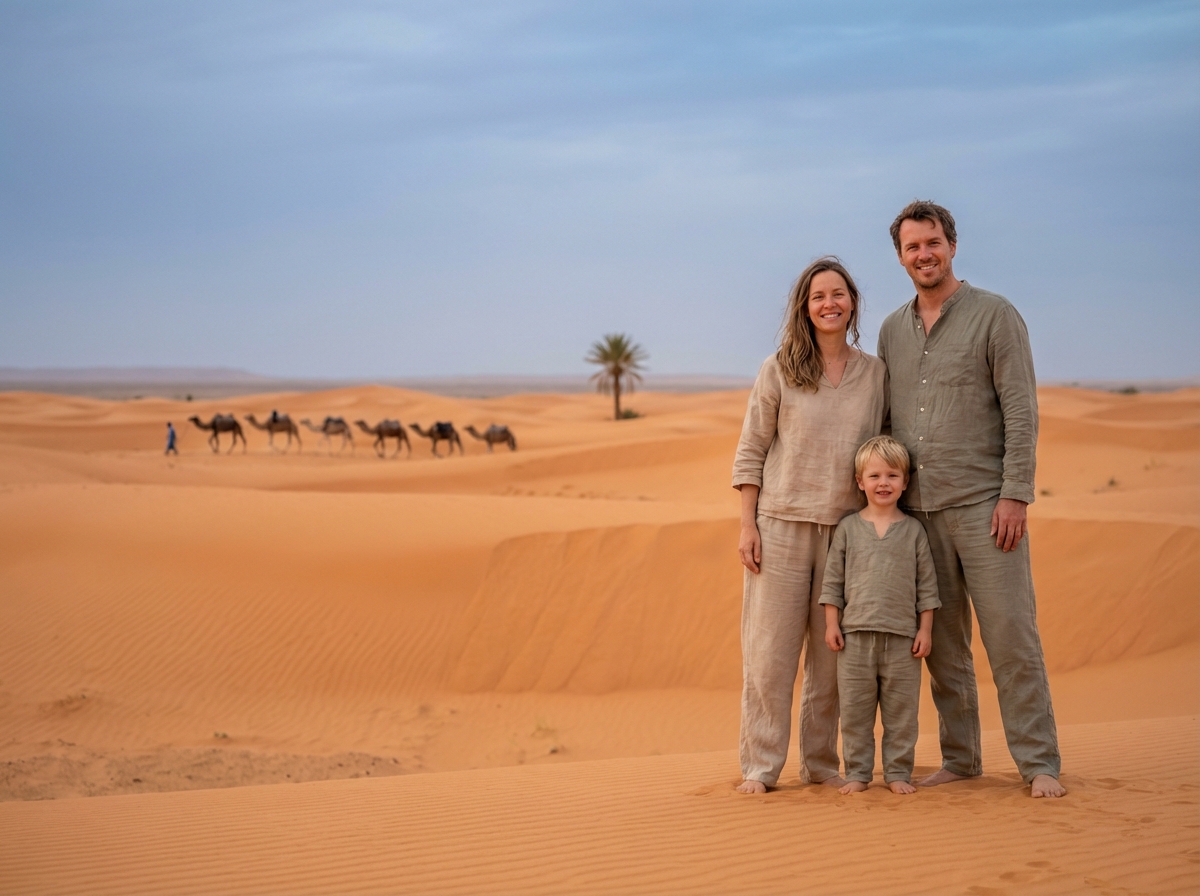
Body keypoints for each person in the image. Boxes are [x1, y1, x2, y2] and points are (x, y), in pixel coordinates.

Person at [877, 200, 1065, 798]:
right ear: (901, 257)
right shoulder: (889, 330)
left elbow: (1020, 411)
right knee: (945, 648)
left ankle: (1039, 764)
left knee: (1011, 636)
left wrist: (1016, 493)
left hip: (987, 510)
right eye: (912, 247)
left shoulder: (995, 316)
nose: (924, 254)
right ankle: (961, 759)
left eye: (932, 242)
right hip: (919, 516)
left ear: (952, 245)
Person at [731, 256, 887, 793]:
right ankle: (760, 766)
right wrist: (747, 525)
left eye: (839, 294)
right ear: (804, 306)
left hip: (847, 533)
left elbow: (885, 451)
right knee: (769, 655)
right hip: (779, 526)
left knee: (831, 662)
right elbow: (751, 449)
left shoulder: (875, 375)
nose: (830, 304)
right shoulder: (778, 368)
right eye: (819, 296)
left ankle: (820, 765)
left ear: (853, 304)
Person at [820, 436, 940, 794]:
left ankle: (898, 773)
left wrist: (926, 631)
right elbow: (832, 582)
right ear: (860, 481)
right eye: (874, 476)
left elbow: (928, 588)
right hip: (854, 637)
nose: (883, 483)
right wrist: (831, 624)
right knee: (855, 714)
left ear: (905, 481)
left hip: (903, 641)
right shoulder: (847, 529)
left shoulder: (915, 531)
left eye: (892, 475)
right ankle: (857, 772)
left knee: (901, 715)